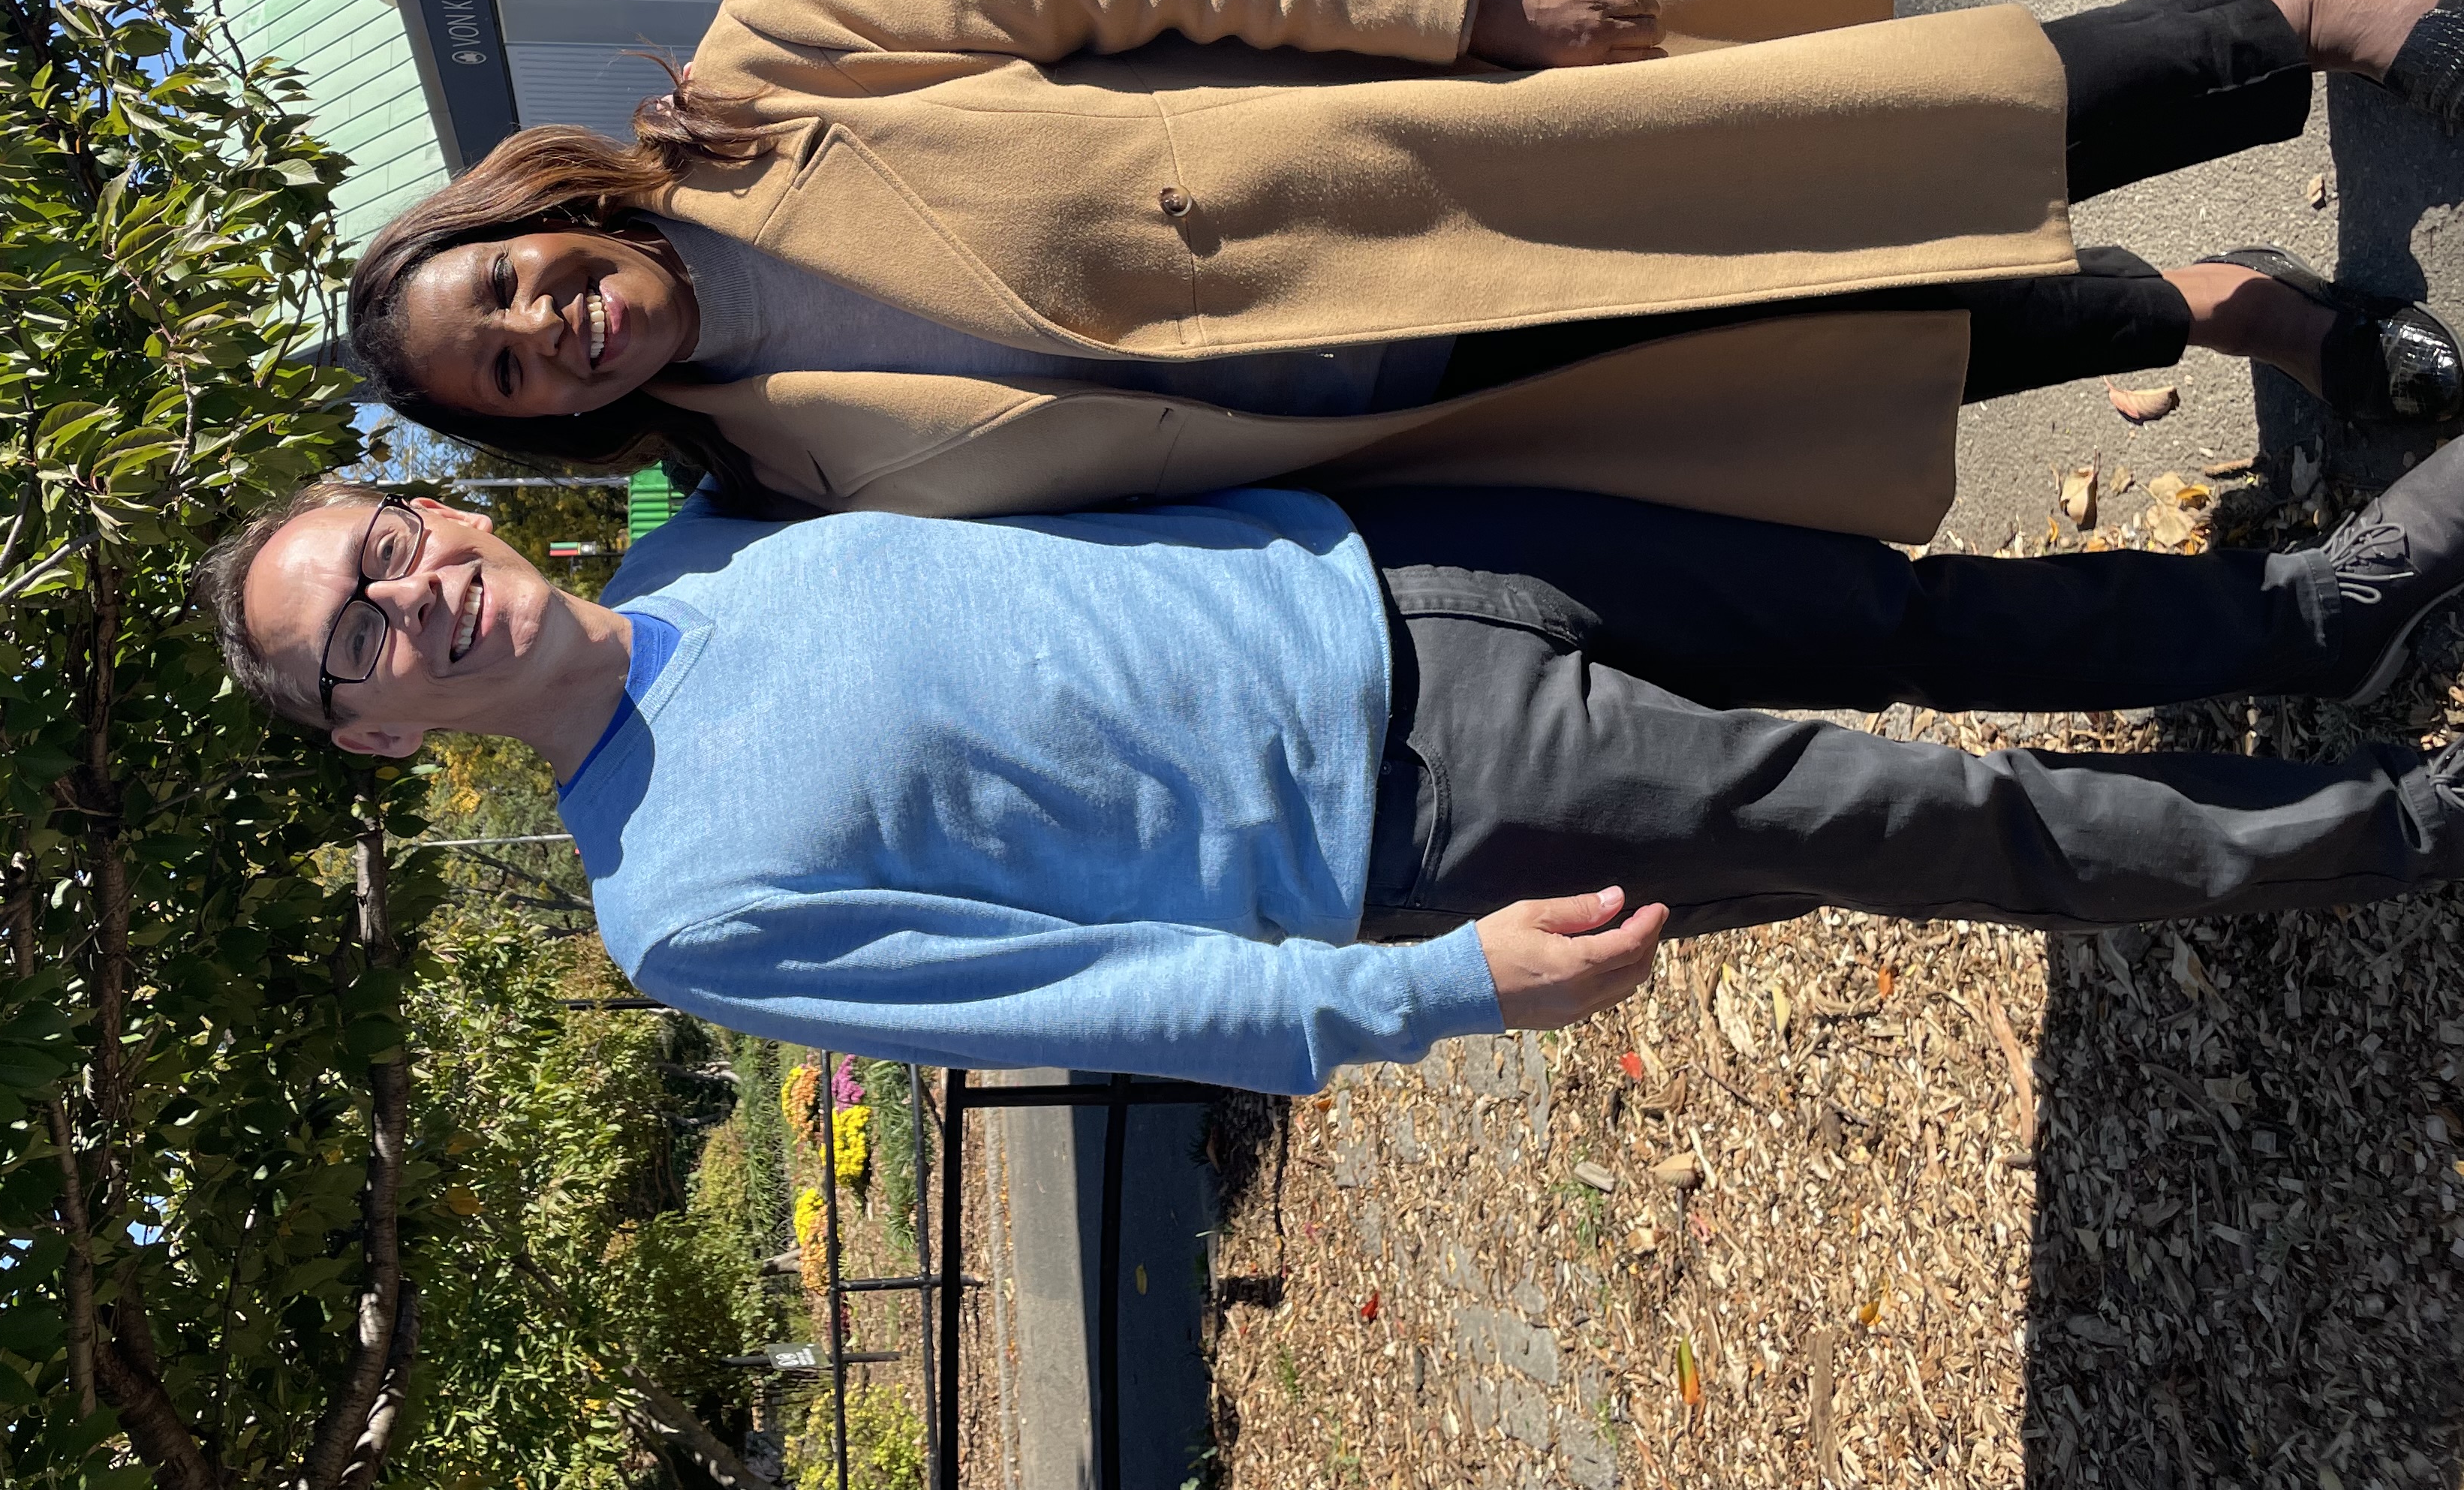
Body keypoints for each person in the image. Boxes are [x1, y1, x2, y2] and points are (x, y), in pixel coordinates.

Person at [344, 0, 2464, 540]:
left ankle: (2302, 12)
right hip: (1437, 412)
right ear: (545, 430)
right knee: (1856, 355)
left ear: (544, 218)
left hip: (1448, 163)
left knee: (1907, 134)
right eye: (510, 378)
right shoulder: (781, 490)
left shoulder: (761, 70)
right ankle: (2237, 311)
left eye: (512, 289)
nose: (546, 331)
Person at [206, 444, 2464, 1091]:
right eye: (362, 638)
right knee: (1939, 823)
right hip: (1411, 807)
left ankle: (2320, 626)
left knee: (1903, 608)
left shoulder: (725, 523)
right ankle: (2406, 834)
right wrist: (1434, 991)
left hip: (1413, 557)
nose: (414, 599)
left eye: (391, 547)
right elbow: (1070, 1003)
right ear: (381, 733)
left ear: (451, 509)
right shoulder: (672, 909)